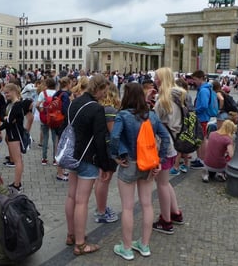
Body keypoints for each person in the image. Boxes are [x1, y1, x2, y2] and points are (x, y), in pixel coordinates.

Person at [110, 82, 170, 260]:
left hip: (129, 163)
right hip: (148, 164)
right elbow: (165, 137)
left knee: (127, 208)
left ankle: (127, 248)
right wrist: (160, 159)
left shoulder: (122, 115)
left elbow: (114, 136)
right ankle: (144, 245)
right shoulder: (151, 115)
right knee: (147, 205)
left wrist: (115, 155)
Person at [64, 74, 112, 256]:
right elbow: (100, 140)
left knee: (71, 196)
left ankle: (71, 235)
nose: (105, 94)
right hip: (87, 158)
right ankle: (80, 243)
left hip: (72, 155)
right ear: (98, 89)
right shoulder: (96, 109)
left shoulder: (74, 103)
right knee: (82, 201)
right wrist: (105, 166)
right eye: (104, 91)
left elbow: (66, 128)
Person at [152, 67, 184, 234]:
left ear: (162, 79)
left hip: (164, 145)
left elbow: (154, 123)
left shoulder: (163, 99)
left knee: (162, 184)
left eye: (157, 78)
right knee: (166, 182)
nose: (154, 80)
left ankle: (166, 220)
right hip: (173, 142)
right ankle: (175, 212)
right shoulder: (179, 96)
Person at [94, 82, 119, 224]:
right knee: (105, 179)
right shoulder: (110, 110)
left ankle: (100, 207)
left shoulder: (100, 108)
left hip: (100, 148)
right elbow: (113, 133)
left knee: (100, 179)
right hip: (108, 150)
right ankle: (101, 211)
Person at [0, 83, 26, 191]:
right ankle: (17, 182)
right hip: (13, 134)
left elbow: (9, 121)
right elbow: (7, 119)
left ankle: (17, 184)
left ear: (14, 91)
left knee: (17, 160)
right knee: (18, 159)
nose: (6, 95)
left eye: (7, 93)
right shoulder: (13, 104)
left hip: (15, 135)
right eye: (5, 93)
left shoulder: (17, 105)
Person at [190, 70, 215, 169]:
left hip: (202, 118)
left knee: (202, 139)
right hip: (202, 117)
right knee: (201, 139)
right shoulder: (205, 88)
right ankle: (200, 158)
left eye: (195, 80)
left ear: (201, 78)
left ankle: (202, 160)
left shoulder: (204, 90)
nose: (194, 82)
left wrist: (195, 111)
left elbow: (204, 105)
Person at [37, 78, 58, 165]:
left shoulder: (43, 93)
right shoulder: (57, 93)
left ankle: (44, 159)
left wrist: (40, 112)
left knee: (45, 138)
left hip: (45, 118)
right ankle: (55, 159)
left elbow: (37, 105)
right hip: (54, 119)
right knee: (55, 139)